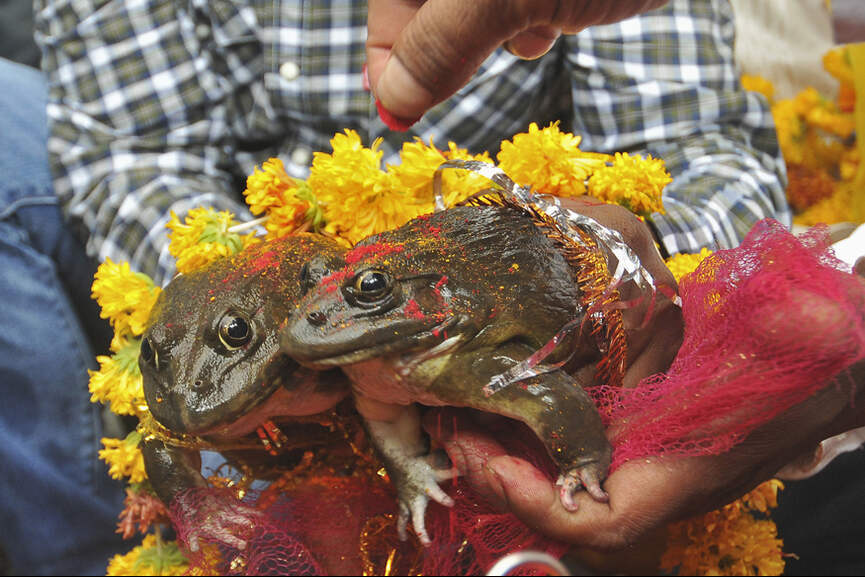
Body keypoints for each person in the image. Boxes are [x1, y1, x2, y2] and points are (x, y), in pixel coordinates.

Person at [0, 0, 809, 573]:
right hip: (258, 253)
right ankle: (95, 556)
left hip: (486, 250)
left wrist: (596, 265)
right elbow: (135, 155)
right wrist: (256, 298)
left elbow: (702, 158)